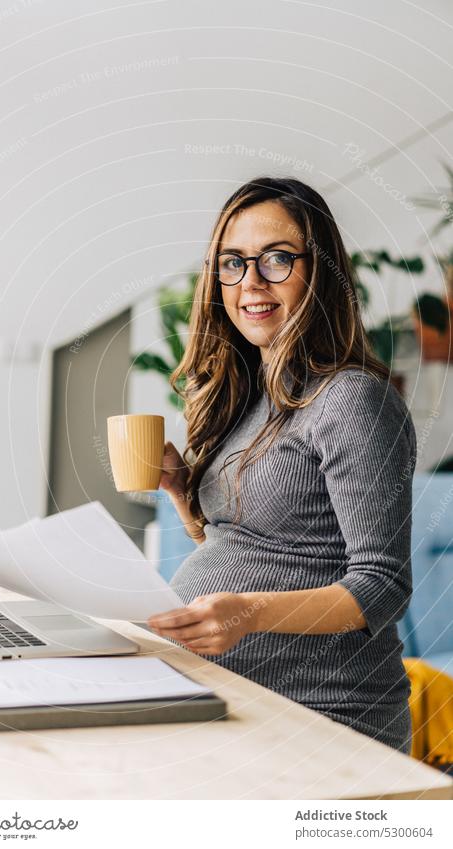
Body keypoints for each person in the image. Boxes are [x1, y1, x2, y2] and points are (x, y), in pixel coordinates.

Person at [147, 176, 417, 752]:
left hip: (323, 719)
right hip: (231, 700)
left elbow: (382, 585)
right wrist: (179, 494)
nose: (250, 283)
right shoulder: (244, 398)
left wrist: (248, 614)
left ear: (318, 271)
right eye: (233, 263)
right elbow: (259, 546)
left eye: (275, 259)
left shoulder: (352, 399)